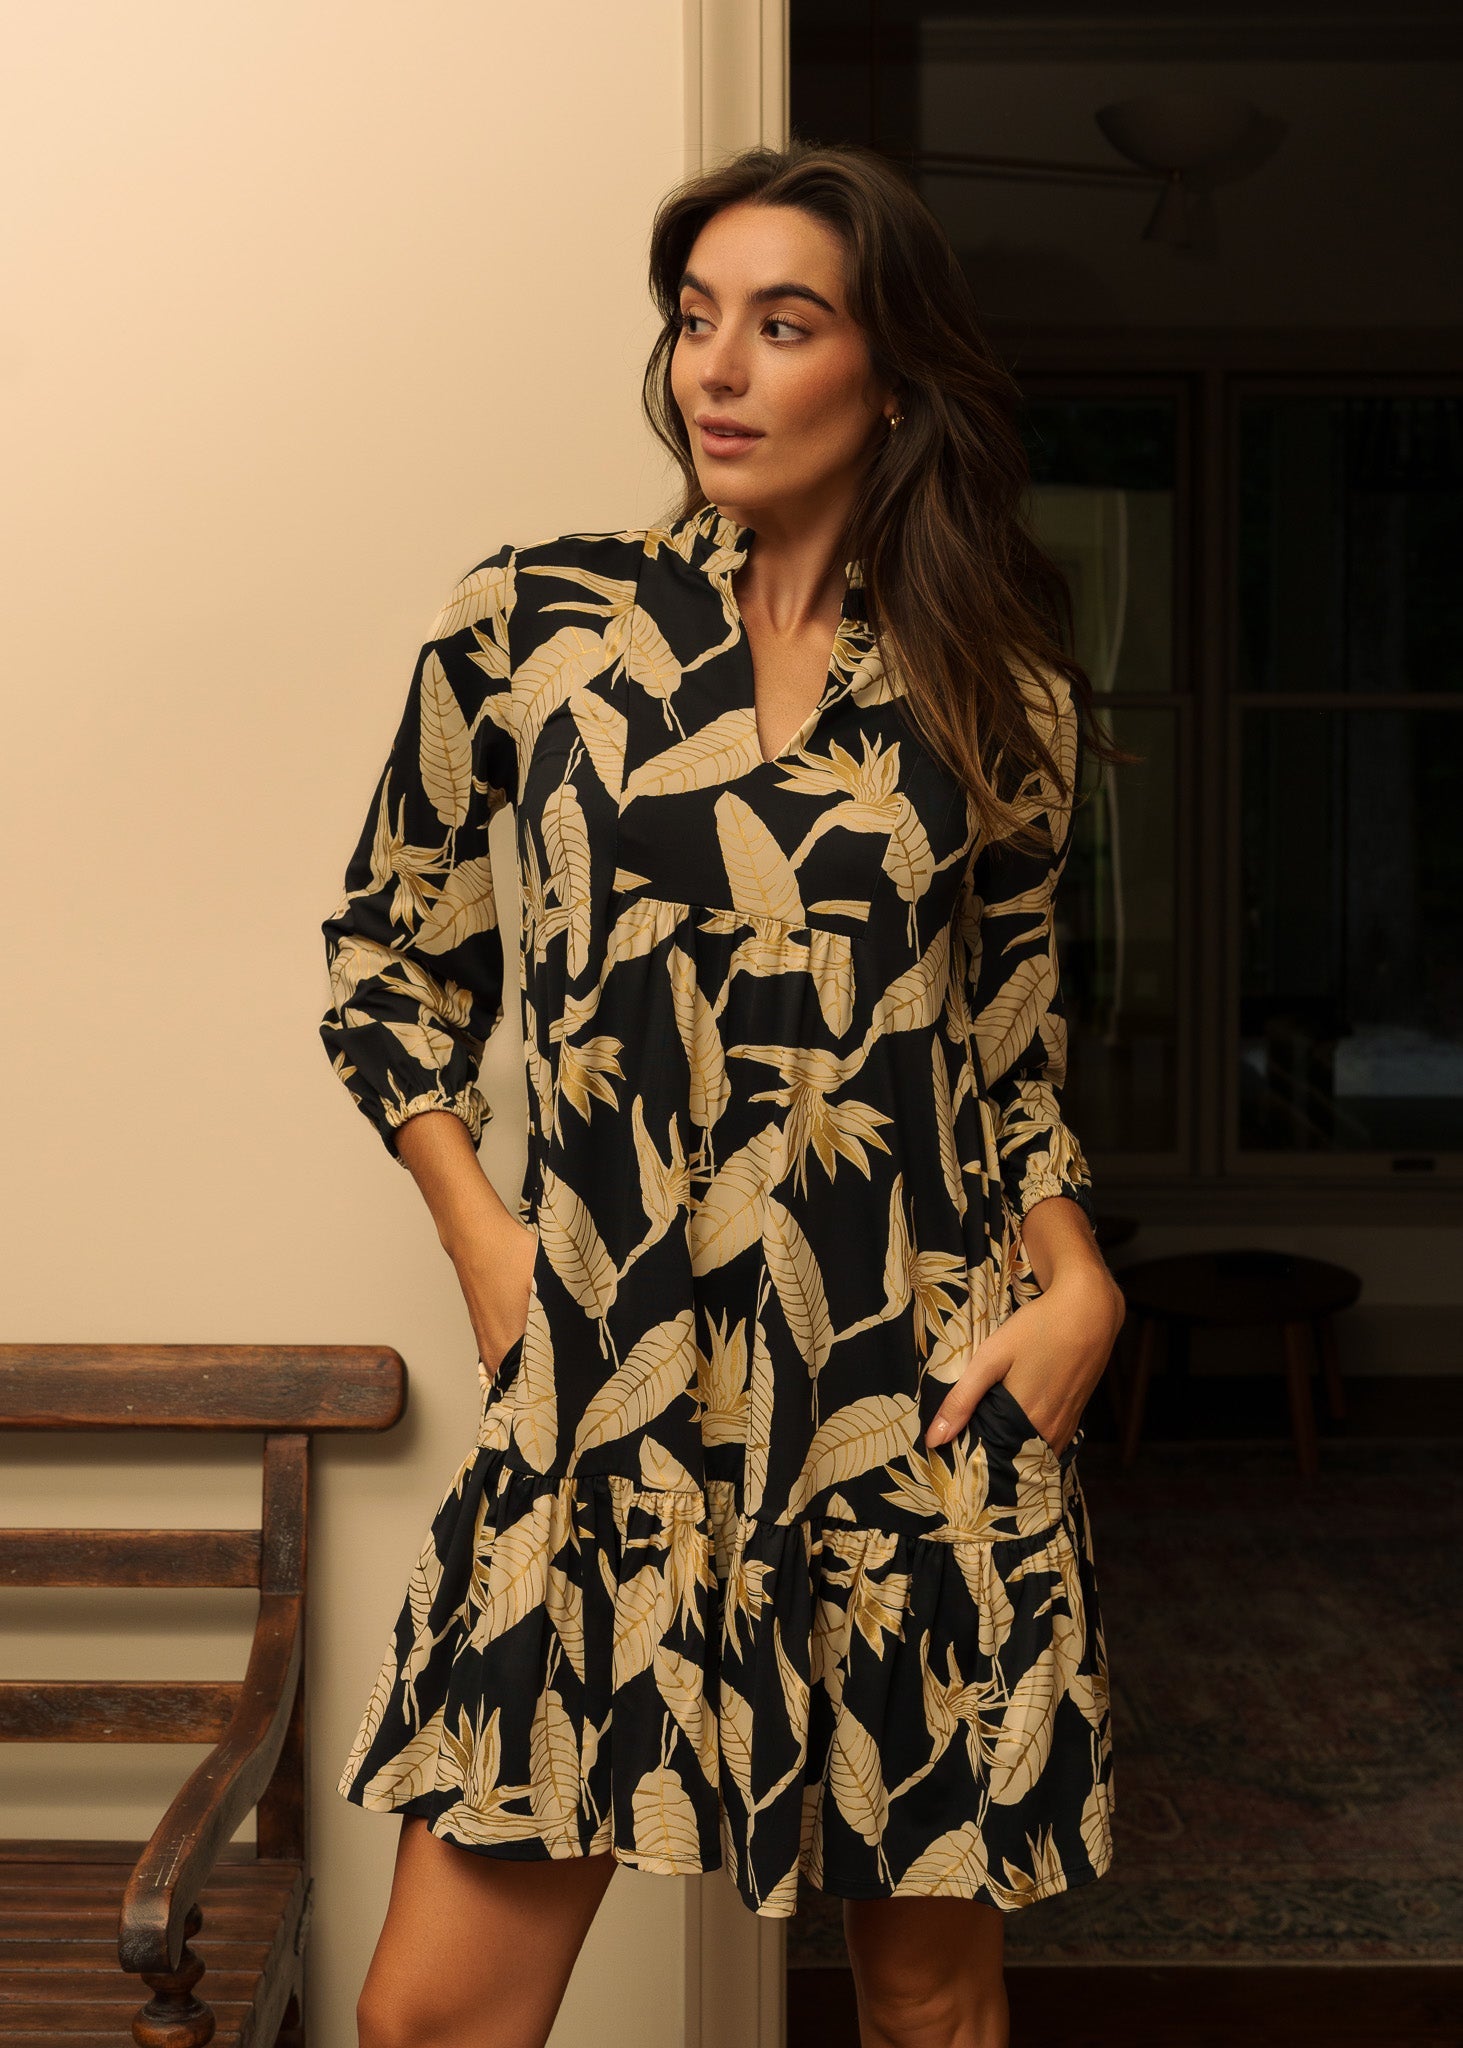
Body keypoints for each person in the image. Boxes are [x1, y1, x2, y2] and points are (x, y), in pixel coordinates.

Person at [321, 139, 1127, 2048]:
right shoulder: (537, 627)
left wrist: (1081, 1279)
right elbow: (388, 958)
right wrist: (485, 1239)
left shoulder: (996, 689)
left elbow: (1009, 1052)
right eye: (697, 322)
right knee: (434, 2021)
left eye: (785, 324)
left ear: (893, 376)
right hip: (610, 1389)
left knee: (930, 2010)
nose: (721, 369)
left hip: (905, 1404)